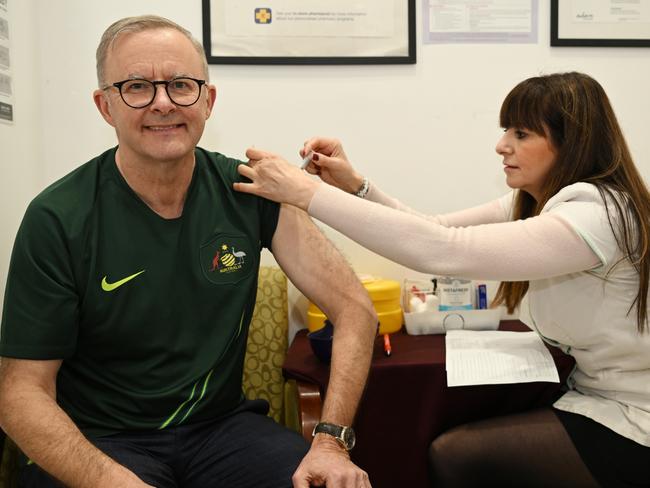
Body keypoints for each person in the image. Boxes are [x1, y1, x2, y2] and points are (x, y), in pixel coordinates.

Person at [0, 15, 378, 488]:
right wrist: (113, 481)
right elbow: (21, 393)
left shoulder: (251, 190)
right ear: (105, 106)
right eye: (137, 86)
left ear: (208, 100)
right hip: (100, 440)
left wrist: (330, 441)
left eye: (181, 84)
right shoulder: (57, 217)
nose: (163, 103)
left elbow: (355, 309)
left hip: (221, 432)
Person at [234, 72, 650, 487]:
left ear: (571, 140)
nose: (502, 144)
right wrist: (355, 186)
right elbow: (430, 227)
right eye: (506, 130)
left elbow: (444, 250)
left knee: (455, 455)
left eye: (521, 133)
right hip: (591, 396)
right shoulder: (537, 201)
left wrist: (304, 193)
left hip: (634, 416)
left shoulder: (598, 214)